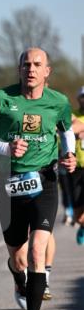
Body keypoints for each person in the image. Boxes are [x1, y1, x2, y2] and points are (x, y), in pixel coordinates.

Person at [0, 48, 76, 310]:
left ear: (47, 71)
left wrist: (68, 155)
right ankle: (18, 277)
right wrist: (4, 148)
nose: (30, 69)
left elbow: (66, 130)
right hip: (10, 185)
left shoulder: (58, 102)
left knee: (37, 253)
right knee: (18, 259)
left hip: (44, 182)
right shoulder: (0, 99)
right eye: (25, 64)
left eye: (37, 64)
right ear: (18, 70)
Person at [72, 87, 84, 245]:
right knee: (78, 216)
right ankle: (82, 226)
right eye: (82, 97)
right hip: (76, 167)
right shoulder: (73, 116)